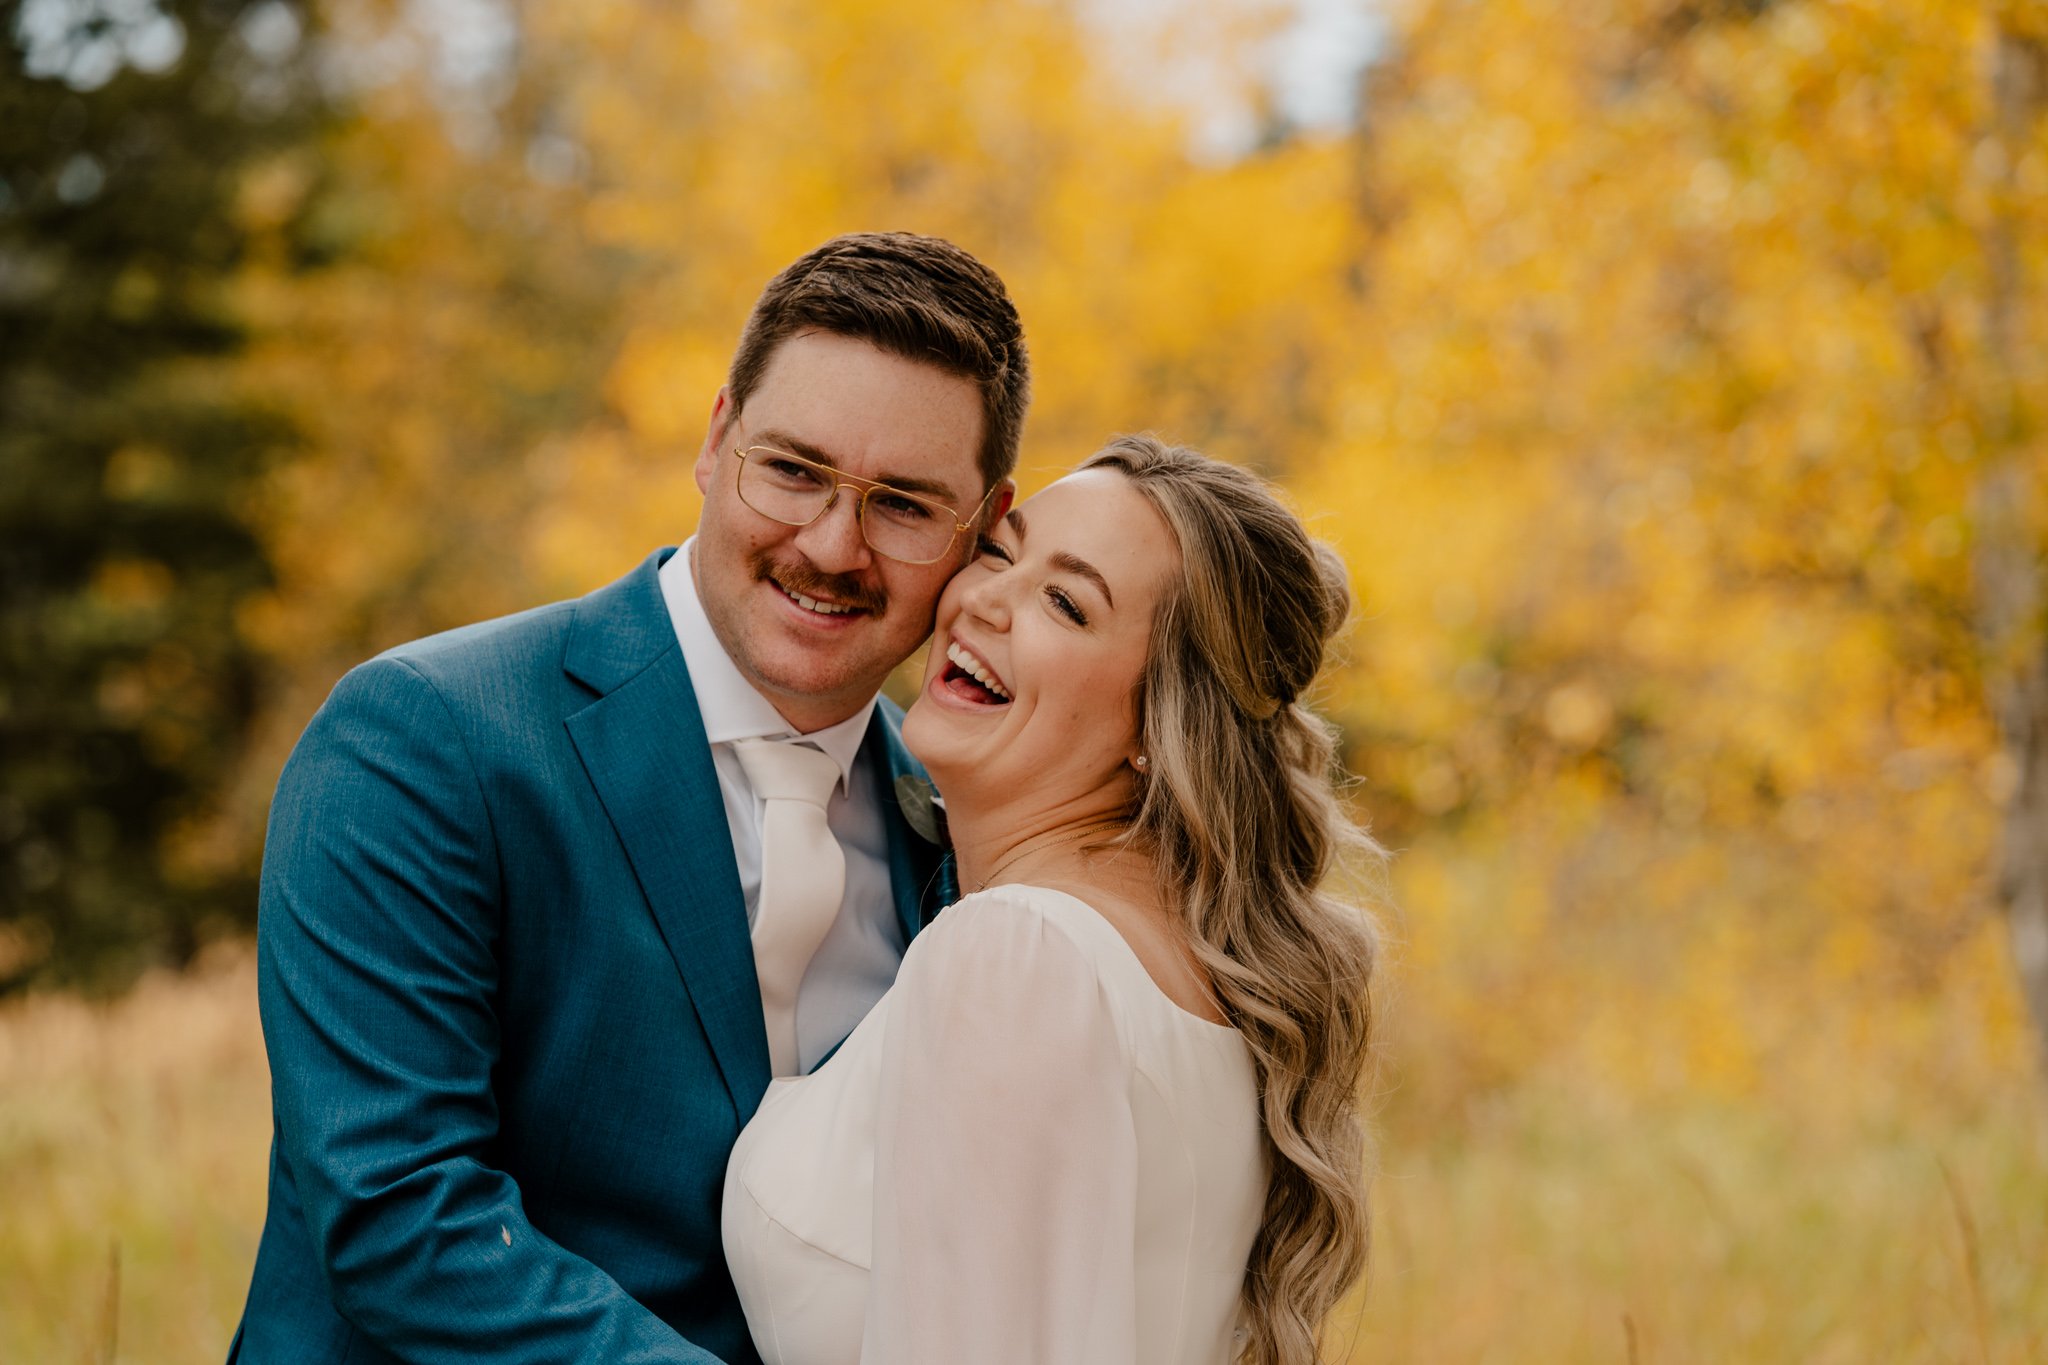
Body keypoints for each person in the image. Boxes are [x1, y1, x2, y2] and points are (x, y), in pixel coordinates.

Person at [228, 232, 1028, 1364]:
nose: (831, 546)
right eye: (793, 471)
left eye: (902, 504)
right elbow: (401, 1217)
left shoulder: (960, 829)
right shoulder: (425, 738)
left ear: (985, 528)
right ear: (715, 440)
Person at [721, 435, 1383, 1365]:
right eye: (999, 551)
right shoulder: (1182, 969)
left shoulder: (1017, 956)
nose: (983, 600)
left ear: (1161, 719)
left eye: (1066, 603)